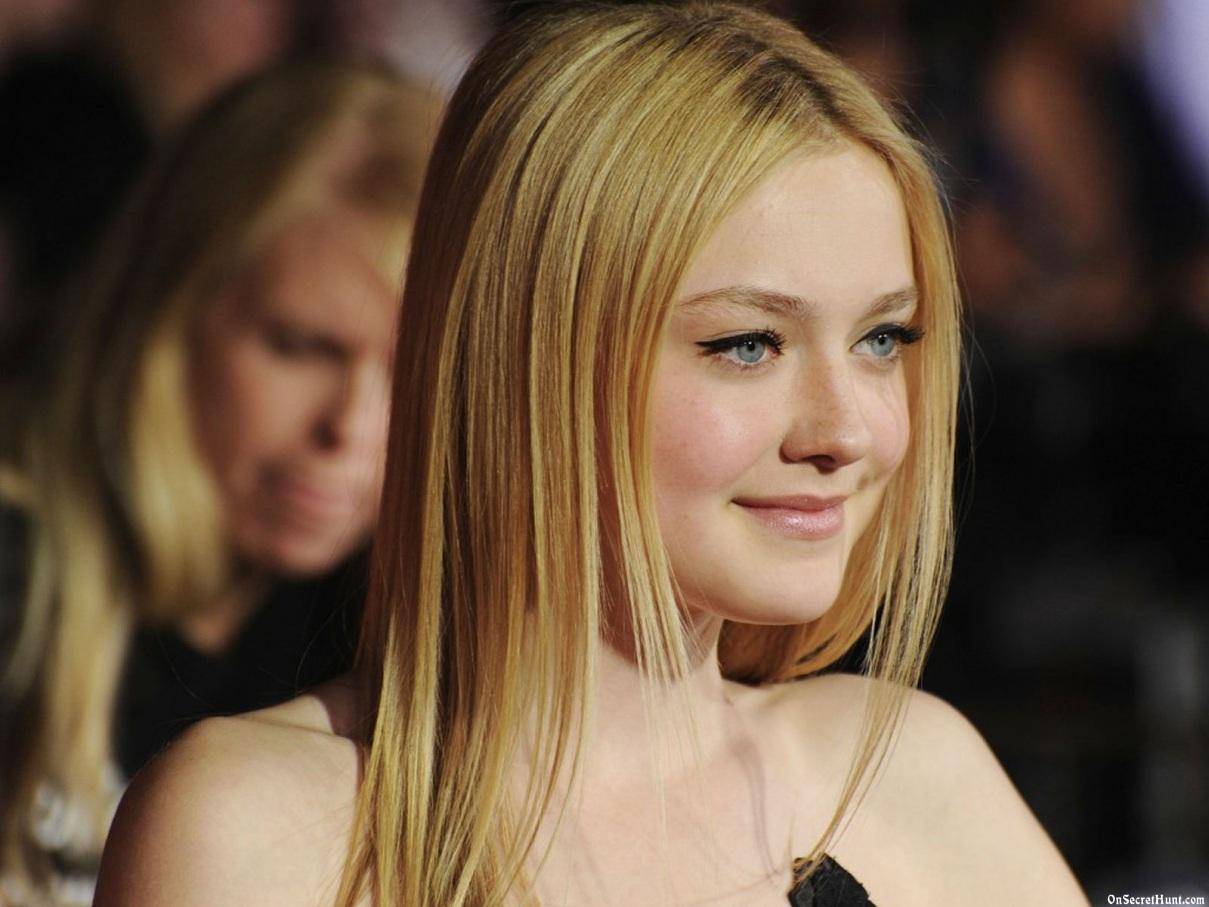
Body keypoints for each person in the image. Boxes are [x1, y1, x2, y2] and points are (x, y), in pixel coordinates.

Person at [95, 5, 1089, 906]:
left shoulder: (907, 774)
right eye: (748, 344)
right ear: (528, 360)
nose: (849, 432)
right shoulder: (258, 829)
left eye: (881, 339)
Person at [0, 62, 438, 906]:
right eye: (300, 346)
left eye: (409, 372)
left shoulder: (385, 633)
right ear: (168, 310)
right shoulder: (17, 565)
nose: (351, 425)